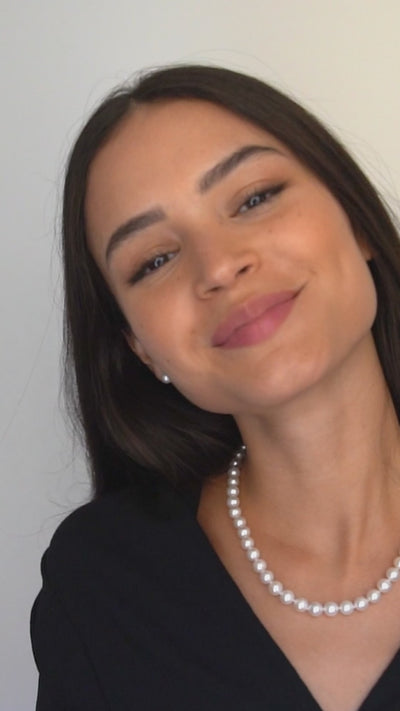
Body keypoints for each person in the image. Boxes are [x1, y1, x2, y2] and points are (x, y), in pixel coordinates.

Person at [31, 64, 400, 711]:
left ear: (356, 218)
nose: (220, 266)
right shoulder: (99, 586)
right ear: (139, 346)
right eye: (155, 259)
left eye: (254, 198)